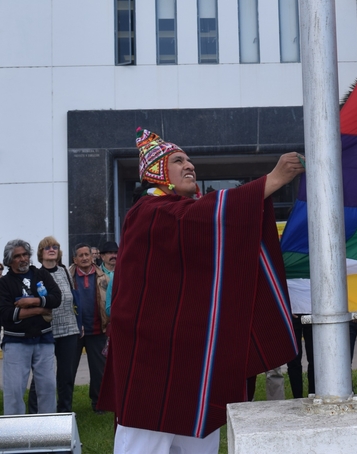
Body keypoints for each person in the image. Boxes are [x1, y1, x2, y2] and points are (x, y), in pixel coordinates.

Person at [97, 129, 303, 454]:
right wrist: (272, 180)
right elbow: (197, 217)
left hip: (191, 362)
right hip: (150, 364)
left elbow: (216, 241)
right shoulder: (147, 212)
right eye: (178, 160)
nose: (189, 165)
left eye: (190, 160)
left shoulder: (183, 213)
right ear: (156, 171)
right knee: (144, 443)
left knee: (198, 436)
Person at [0, 239, 62, 415]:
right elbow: (5, 313)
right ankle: (14, 431)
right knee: (15, 389)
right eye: (18, 256)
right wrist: (41, 309)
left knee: (47, 386)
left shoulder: (41, 275)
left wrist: (30, 302)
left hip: (44, 338)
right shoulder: (3, 283)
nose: (23, 258)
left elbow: (56, 298)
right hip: (16, 341)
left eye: (25, 254)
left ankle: (48, 430)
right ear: (9, 261)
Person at [28, 237, 79, 413]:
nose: (52, 249)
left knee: (66, 375)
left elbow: (73, 298)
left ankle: (65, 412)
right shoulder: (36, 274)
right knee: (41, 375)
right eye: (47, 247)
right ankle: (34, 412)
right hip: (47, 330)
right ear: (41, 253)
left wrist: (79, 324)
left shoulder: (65, 272)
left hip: (69, 329)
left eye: (55, 247)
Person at [70, 242, 108, 413]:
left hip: (98, 329)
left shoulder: (104, 278)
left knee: (99, 370)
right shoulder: (67, 277)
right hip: (73, 331)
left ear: (93, 257)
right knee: (68, 369)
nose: (85, 258)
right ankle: (65, 404)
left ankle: (98, 403)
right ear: (74, 259)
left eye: (87, 254)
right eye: (81, 255)